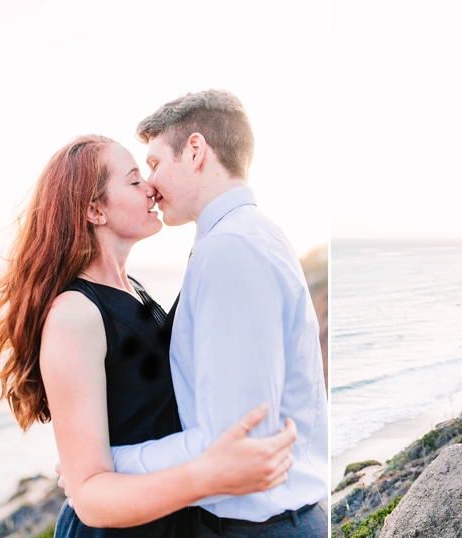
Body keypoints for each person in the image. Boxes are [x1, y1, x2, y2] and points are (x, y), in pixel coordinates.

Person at [0, 135, 297, 537]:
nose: (151, 186)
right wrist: (211, 476)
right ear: (94, 209)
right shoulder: (74, 315)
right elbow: (89, 496)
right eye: (134, 180)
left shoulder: (132, 287)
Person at [109, 89, 328, 536]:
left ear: (195, 151)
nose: (149, 184)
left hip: (258, 525)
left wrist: (110, 462)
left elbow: (236, 442)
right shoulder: (244, 235)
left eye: (153, 164)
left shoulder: (231, 248)